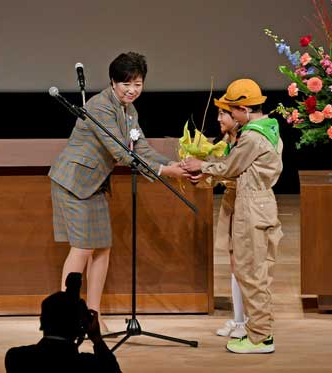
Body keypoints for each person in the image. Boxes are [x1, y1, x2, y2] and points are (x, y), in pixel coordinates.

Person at [48, 52, 188, 332]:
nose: (132, 90)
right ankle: (65, 321)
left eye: (138, 83)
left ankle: (92, 317)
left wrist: (173, 164)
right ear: (113, 82)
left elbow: (141, 148)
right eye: (126, 83)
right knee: (83, 248)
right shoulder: (100, 107)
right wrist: (163, 173)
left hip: (96, 185)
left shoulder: (129, 110)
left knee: (102, 249)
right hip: (74, 183)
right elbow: (122, 153)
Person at [183, 79, 283, 354]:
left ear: (243, 109)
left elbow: (230, 166)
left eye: (229, 109)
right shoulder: (266, 129)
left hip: (252, 207)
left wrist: (201, 165)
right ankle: (255, 331)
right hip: (256, 204)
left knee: (251, 273)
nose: (226, 115)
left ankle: (260, 337)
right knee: (249, 270)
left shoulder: (253, 136)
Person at [5, 273, 121, 372]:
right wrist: (97, 339)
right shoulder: (89, 365)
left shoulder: (16, 358)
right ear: (82, 327)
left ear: (42, 322)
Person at [212, 97, 247, 339]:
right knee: (234, 263)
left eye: (222, 114)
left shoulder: (248, 141)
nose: (218, 119)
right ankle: (238, 319)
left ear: (236, 115)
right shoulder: (226, 141)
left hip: (246, 204)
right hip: (230, 203)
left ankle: (247, 322)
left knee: (244, 264)